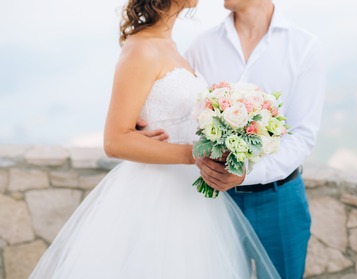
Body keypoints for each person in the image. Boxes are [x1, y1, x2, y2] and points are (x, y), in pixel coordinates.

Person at [28, 0, 280, 278]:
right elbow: (114, 140)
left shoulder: (170, 45)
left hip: (191, 197)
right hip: (156, 197)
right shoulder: (141, 48)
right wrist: (192, 154)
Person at [185, 0, 326, 278]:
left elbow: (302, 136)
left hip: (279, 201)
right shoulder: (201, 46)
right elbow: (184, 109)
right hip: (215, 202)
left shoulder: (304, 46)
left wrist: (245, 174)